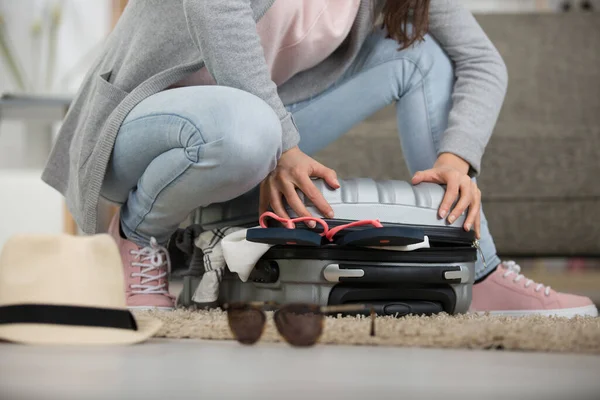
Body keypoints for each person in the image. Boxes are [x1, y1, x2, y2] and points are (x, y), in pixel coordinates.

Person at [42, 0, 597, 317]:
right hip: (144, 123)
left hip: (257, 136)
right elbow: (215, 8)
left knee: (422, 53)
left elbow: (481, 60)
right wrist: (283, 142)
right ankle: (138, 237)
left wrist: (458, 160)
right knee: (252, 129)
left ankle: (477, 268)